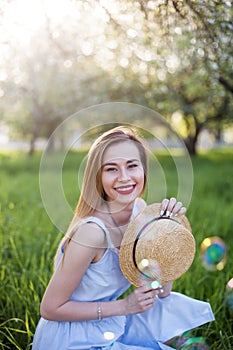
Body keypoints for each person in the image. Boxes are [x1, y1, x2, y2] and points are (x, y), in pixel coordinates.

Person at [32, 126, 214, 350]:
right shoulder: (92, 233)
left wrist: (166, 235)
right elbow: (50, 309)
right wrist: (124, 306)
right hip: (72, 335)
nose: (125, 178)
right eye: (111, 169)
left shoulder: (140, 210)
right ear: (97, 176)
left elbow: (162, 290)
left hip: (107, 321)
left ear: (143, 170)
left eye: (132, 165)